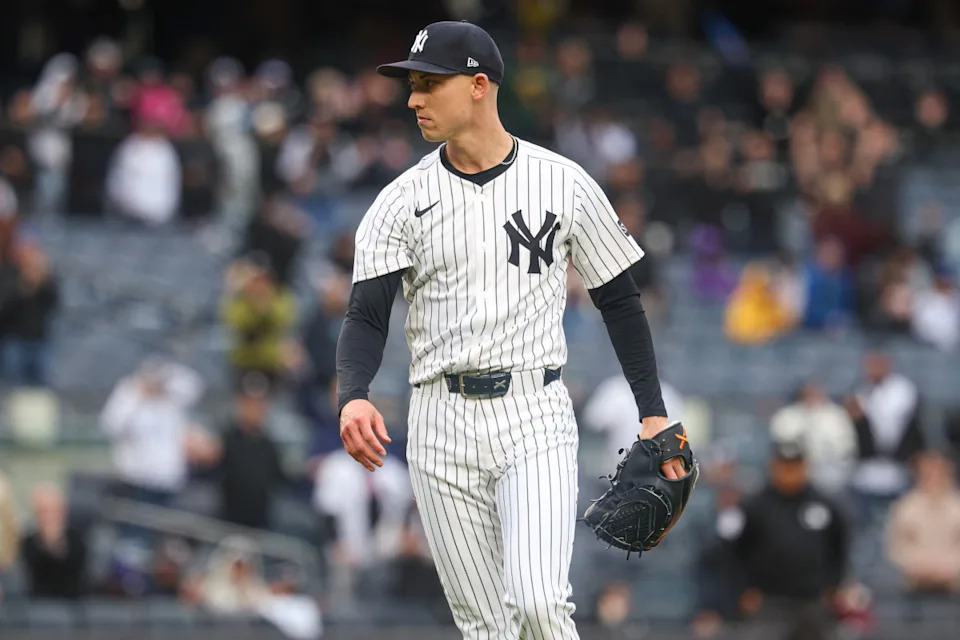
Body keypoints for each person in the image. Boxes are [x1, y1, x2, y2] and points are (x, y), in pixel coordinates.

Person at [335, 21, 683, 639]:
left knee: (538, 601)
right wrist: (353, 394)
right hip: (439, 420)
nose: (413, 99)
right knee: (486, 628)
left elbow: (620, 301)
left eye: (428, 84)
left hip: (533, 410)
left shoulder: (562, 182)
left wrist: (652, 412)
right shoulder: (398, 201)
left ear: (478, 86)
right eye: (412, 85)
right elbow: (365, 315)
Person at [730, 443, 849, 640]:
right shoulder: (754, 507)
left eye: (795, 466)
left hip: (812, 602)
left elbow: (839, 546)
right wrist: (743, 589)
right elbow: (735, 551)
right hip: (767, 602)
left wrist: (833, 585)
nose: (790, 473)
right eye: (785, 466)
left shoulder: (824, 505)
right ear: (773, 467)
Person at [216, 375, 286, 529]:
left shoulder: (269, 445)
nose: (255, 409)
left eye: (259, 404)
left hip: (260, 522)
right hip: (226, 520)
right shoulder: (226, 440)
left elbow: (280, 479)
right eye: (250, 404)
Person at [885, 450, 960, 593]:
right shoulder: (904, 507)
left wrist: (946, 568)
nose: (934, 476)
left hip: (954, 587)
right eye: (928, 471)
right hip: (914, 586)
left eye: (939, 470)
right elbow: (896, 548)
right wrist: (921, 567)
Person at [21, 483, 87, 599]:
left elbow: (76, 574)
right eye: (45, 511)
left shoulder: (78, 541)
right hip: (37, 604)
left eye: (55, 510)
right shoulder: (27, 544)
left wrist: (56, 542)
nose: (51, 517)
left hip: (72, 604)